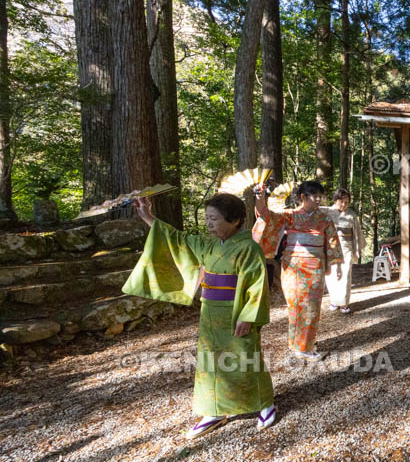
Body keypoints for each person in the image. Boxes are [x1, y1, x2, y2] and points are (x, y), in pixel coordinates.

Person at [123, 193, 276, 439]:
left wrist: (248, 316)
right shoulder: (210, 245)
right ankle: (213, 409)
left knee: (246, 357)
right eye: (207, 218)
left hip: (237, 312)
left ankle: (264, 402)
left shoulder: (249, 247)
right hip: (210, 311)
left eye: (214, 218)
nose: (209, 223)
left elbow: (258, 285)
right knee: (209, 362)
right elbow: (177, 239)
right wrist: (148, 216)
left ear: (236, 220)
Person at [253, 180, 343, 360]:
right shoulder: (290, 216)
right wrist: (259, 197)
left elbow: (333, 242)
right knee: (295, 306)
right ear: (303, 197)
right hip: (292, 267)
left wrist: (337, 264)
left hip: (315, 266)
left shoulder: (324, 219)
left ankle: (304, 345)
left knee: (312, 307)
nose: (318, 200)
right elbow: (265, 215)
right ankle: (297, 344)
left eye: (320, 196)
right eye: (315, 196)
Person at [321, 188, 365, 313]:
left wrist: (357, 249)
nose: (344, 204)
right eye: (342, 202)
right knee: (331, 276)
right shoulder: (327, 212)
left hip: (346, 248)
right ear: (335, 200)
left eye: (347, 202)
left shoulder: (351, 215)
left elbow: (356, 233)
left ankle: (344, 303)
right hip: (331, 249)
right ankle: (334, 301)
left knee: (345, 275)